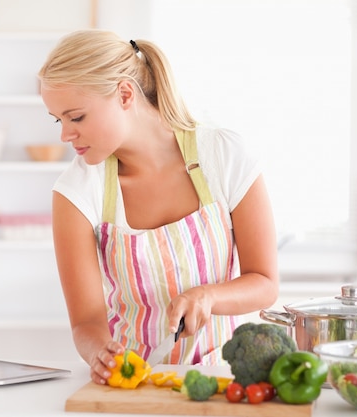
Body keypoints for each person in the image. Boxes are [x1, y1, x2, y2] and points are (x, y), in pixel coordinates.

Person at [37, 30, 279, 385]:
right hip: (136, 383)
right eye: (59, 120)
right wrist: (101, 353)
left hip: (224, 380)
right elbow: (86, 322)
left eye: (77, 117)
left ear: (124, 94)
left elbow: (264, 283)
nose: (65, 135)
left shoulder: (223, 156)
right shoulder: (77, 191)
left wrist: (207, 296)